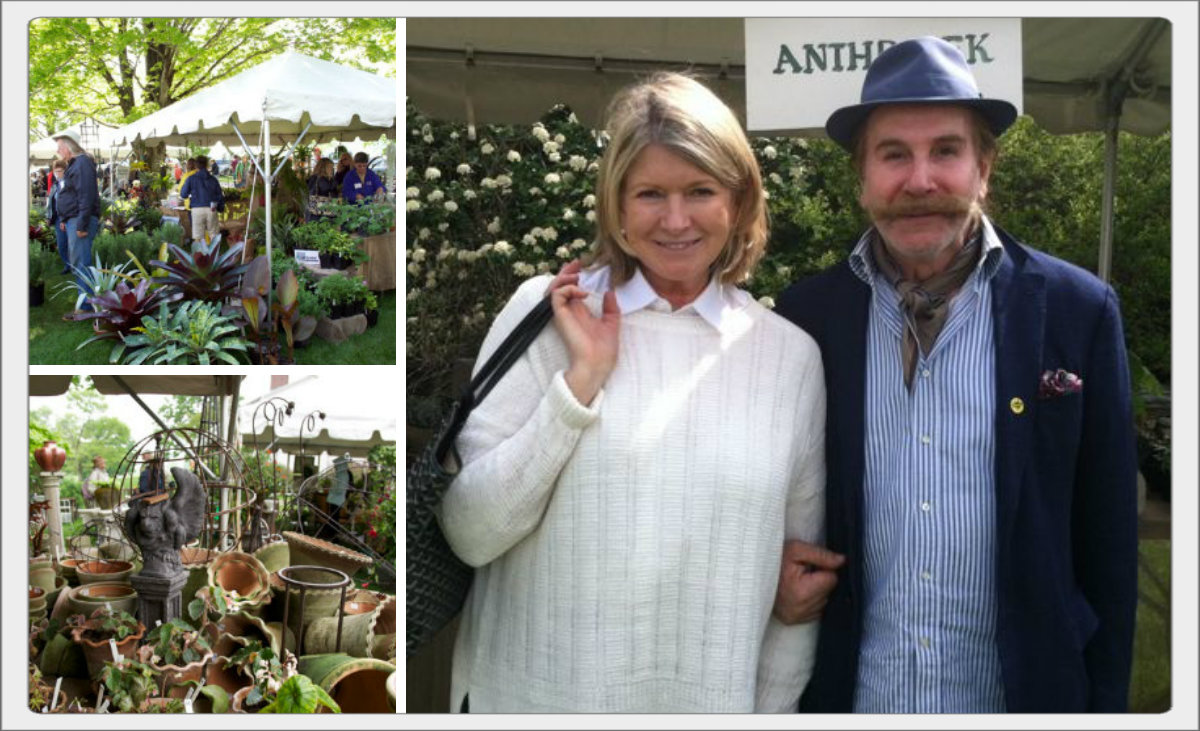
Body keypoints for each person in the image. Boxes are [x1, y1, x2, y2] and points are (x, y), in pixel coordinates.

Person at [437, 72, 826, 713]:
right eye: (650, 193)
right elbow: (471, 534)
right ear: (616, 205)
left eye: (701, 191)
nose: (676, 220)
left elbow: (801, 584)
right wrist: (579, 384)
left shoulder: (788, 357)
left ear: (739, 201)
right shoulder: (546, 313)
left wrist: (772, 710)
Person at [773, 37, 1138, 713]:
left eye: (946, 150)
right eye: (893, 155)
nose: (920, 181)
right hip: (854, 698)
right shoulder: (806, 317)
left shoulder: (1078, 311)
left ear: (984, 169)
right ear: (862, 177)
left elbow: (1109, 547)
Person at [54, 129, 100, 315]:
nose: (58, 152)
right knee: (79, 261)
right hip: (75, 220)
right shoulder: (78, 164)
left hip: (81, 221)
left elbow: (86, 196)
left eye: (59, 148)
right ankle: (85, 303)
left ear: (68, 147)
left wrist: (81, 225)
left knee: (81, 262)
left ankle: (85, 307)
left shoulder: (81, 163)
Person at [180, 154, 225, 244]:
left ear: (196, 165)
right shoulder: (213, 179)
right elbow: (220, 195)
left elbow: (183, 194)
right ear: (207, 165)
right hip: (211, 208)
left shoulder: (191, 178)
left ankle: (199, 256)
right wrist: (220, 208)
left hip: (197, 209)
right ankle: (214, 256)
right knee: (213, 236)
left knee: (198, 237)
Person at [45, 157, 71, 274]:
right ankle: (68, 265)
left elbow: (67, 202)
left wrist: (64, 219)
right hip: (57, 219)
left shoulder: (68, 183)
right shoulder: (56, 185)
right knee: (61, 245)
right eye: (55, 171)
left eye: (59, 171)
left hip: (67, 218)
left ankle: (73, 266)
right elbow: (50, 202)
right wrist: (48, 217)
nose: (57, 173)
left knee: (70, 243)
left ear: (65, 171)